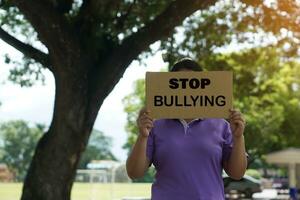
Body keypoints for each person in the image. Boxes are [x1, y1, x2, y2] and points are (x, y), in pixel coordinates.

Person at [126, 58, 247, 200]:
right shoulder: (155, 126)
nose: (187, 90)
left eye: (192, 83)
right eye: (180, 82)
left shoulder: (222, 125)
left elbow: (237, 173)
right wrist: (143, 136)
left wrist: (238, 138)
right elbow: (134, 172)